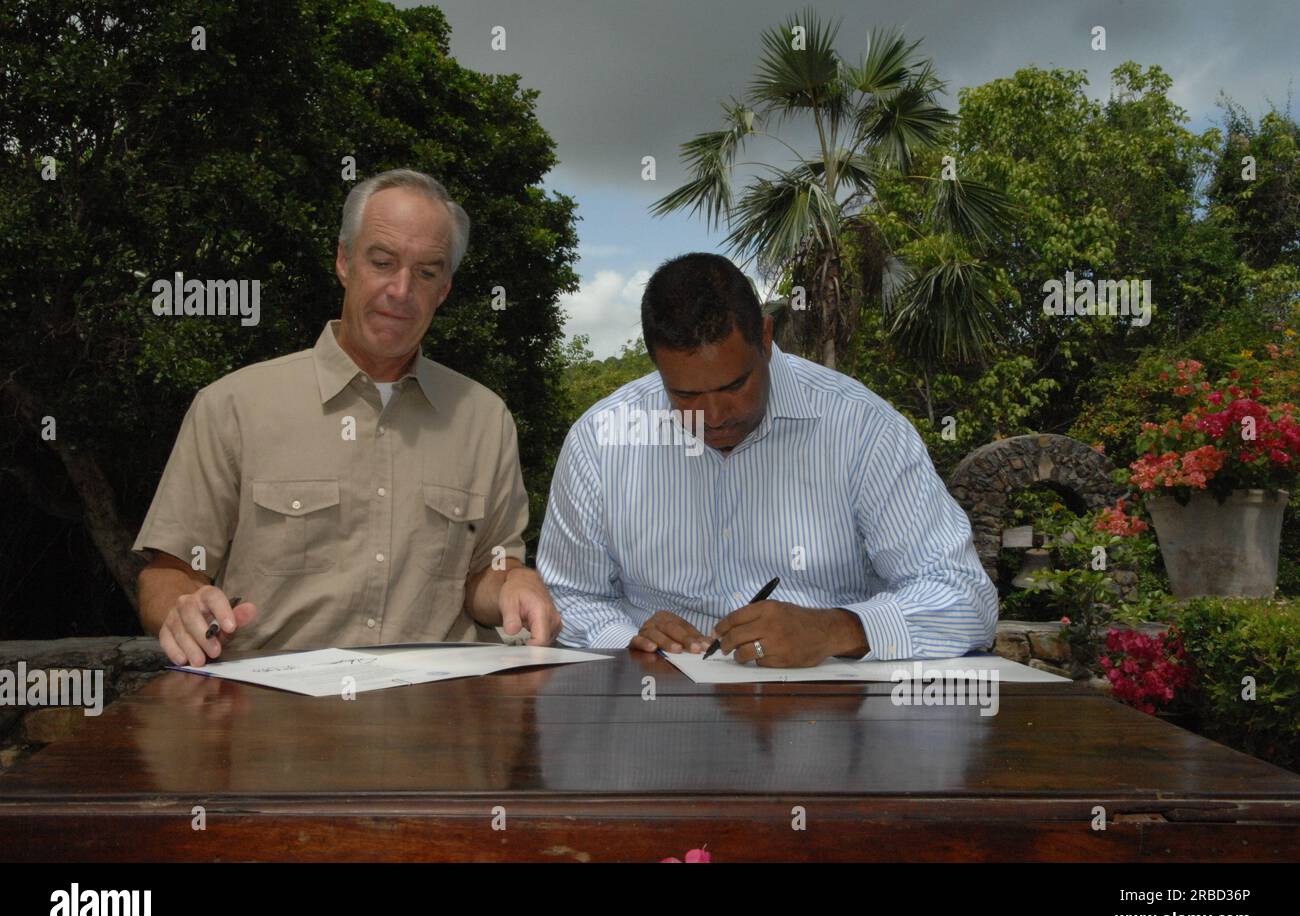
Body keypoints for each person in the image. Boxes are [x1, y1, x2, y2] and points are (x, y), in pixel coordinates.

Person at [135, 169, 561, 666]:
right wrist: (182, 607)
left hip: (439, 720)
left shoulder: (485, 420)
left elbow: (486, 574)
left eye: (426, 272)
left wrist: (515, 581)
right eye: (382, 262)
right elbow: (167, 574)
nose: (401, 290)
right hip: (273, 723)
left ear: (445, 289)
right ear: (344, 260)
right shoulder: (233, 407)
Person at [537, 252, 995, 666]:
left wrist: (836, 630)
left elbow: (965, 597)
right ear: (656, 363)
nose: (713, 417)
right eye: (685, 394)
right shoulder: (601, 441)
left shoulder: (862, 428)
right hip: (659, 713)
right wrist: (630, 640)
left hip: (832, 720)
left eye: (735, 386)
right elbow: (569, 597)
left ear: (767, 338)